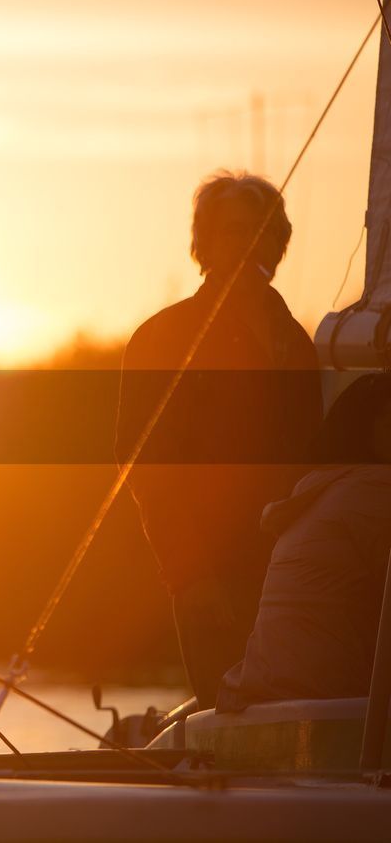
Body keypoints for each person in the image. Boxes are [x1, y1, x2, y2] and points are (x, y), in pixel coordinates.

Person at [115, 171, 323, 709]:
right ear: (202, 245)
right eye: (234, 230)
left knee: (296, 716)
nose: (251, 244)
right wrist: (192, 576)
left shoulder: (297, 342)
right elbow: (148, 471)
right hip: (212, 578)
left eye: (263, 232)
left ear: (279, 247)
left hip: (294, 576)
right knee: (227, 718)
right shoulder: (165, 337)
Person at [219, 373, 391, 710]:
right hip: (332, 706)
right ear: (368, 429)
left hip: (265, 698)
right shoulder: (374, 490)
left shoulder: (319, 490)